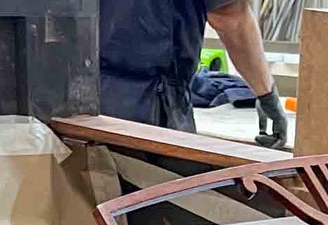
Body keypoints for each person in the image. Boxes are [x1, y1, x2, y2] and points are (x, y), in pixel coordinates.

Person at [100, 0, 289, 149]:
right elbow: (230, 18)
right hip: (150, 106)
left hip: (90, 95)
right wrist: (267, 95)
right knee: (157, 184)